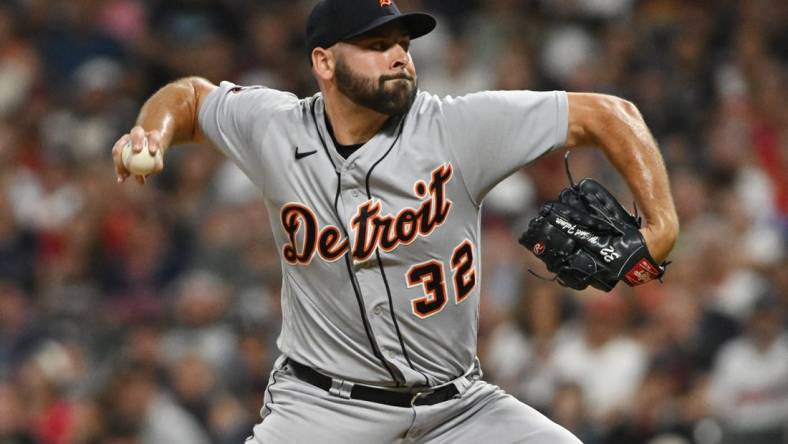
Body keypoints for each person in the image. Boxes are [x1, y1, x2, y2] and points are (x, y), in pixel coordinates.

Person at [111, 0, 679, 442]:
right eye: (376, 44)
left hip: (458, 408)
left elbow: (610, 114)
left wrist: (660, 227)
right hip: (322, 410)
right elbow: (190, 97)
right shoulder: (274, 128)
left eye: (402, 44)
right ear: (324, 62)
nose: (399, 56)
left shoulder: (457, 128)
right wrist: (152, 133)